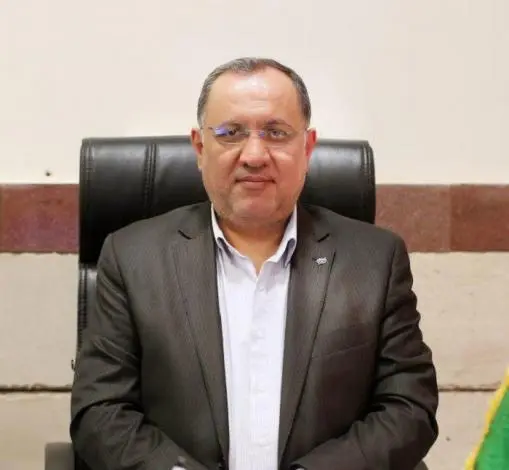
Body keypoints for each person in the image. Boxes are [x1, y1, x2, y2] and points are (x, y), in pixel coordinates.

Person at [70, 57, 439, 470]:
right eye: (231, 133)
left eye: (276, 133)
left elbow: (409, 408)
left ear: (307, 148)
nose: (255, 155)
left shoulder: (374, 261)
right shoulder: (132, 257)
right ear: (199, 148)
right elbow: (100, 411)